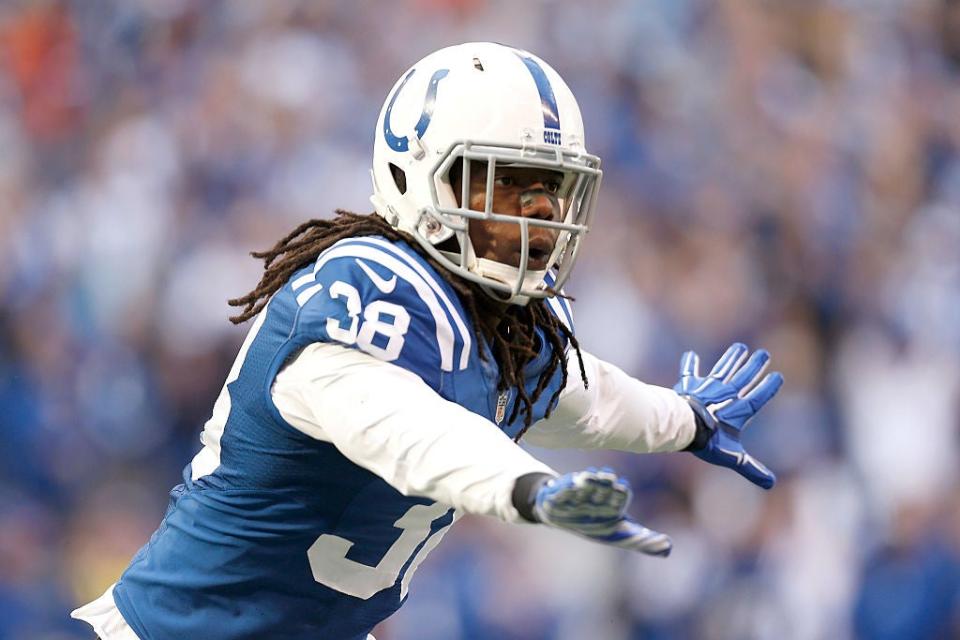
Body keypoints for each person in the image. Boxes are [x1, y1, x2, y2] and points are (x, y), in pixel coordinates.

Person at [71, 42, 783, 640]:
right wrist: (525, 487)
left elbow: (584, 395)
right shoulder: (360, 294)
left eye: (551, 193)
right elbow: (417, 435)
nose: (538, 219)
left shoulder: (496, 322)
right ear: (421, 175)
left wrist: (682, 419)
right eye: (509, 190)